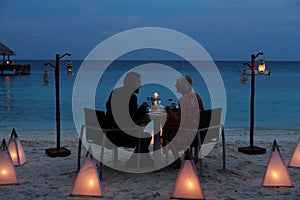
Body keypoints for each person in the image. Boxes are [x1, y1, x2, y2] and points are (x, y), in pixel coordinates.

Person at [162, 74, 204, 168]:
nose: (175, 86)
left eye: (177, 84)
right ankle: (187, 154)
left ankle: (177, 161)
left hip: (190, 136)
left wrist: (169, 111)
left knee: (168, 131)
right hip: (200, 133)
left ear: (183, 86)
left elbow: (179, 122)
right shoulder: (196, 97)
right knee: (172, 127)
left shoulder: (183, 100)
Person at [105, 72, 152, 155]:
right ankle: (135, 162)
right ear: (132, 84)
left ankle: (137, 161)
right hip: (121, 136)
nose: (140, 85)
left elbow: (111, 109)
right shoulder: (132, 97)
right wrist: (143, 107)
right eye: (138, 82)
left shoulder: (115, 92)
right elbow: (134, 117)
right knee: (146, 137)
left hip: (108, 134)